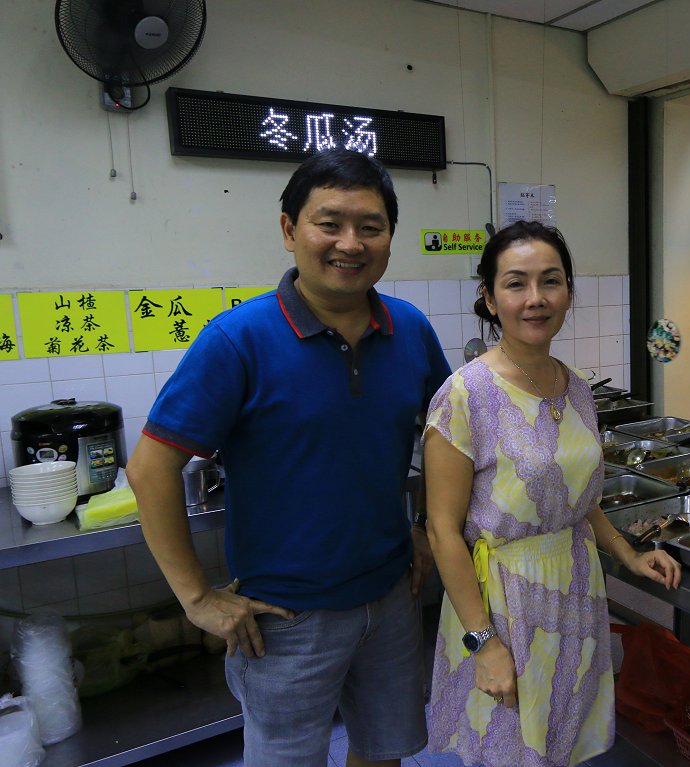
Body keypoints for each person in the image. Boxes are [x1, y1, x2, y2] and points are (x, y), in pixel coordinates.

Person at [125, 148, 451, 767]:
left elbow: (446, 439)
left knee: (384, 752)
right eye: (329, 223)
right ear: (288, 230)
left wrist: (426, 527)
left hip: (389, 597)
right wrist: (197, 597)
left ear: (389, 238)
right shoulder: (237, 340)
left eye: (371, 227)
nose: (349, 243)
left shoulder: (409, 330)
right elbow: (149, 468)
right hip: (284, 618)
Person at [422, 220, 681, 767]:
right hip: (504, 603)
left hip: (575, 590)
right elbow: (441, 530)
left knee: (561, 738)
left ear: (568, 293)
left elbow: (580, 499)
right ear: (489, 300)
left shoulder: (577, 387)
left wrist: (627, 552)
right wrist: (482, 642)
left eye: (551, 281)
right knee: (509, 748)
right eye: (516, 284)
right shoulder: (465, 395)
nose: (535, 299)